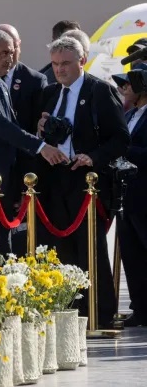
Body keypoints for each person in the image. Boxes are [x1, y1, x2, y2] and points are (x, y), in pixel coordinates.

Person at [36, 36, 129, 327]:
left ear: (81, 61)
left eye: (65, 63)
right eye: (55, 64)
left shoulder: (99, 91)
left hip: (86, 182)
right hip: (55, 179)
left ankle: (99, 317)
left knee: (91, 249)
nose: (60, 70)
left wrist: (93, 157)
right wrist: (40, 131)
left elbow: (120, 138)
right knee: (60, 250)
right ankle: (68, 315)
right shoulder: (49, 94)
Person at [0, 29, 67, 255]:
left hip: (7, 180)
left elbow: (16, 129)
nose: (10, 58)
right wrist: (41, 147)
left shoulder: (0, 83)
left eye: (12, 52)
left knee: (4, 245)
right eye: (4, 53)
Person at [111, 64, 147, 326]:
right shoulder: (131, 114)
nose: (123, 88)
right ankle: (142, 309)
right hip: (126, 197)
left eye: (129, 83)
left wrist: (125, 150)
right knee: (132, 258)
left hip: (144, 195)